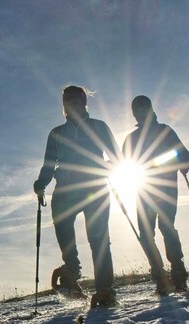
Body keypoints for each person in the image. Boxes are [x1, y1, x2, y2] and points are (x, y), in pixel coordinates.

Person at [33, 85, 118, 307]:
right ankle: (72, 273)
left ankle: (105, 290)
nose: (72, 105)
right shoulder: (57, 133)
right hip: (65, 189)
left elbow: (116, 158)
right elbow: (48, 166)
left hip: (94, 188)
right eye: (67, 102)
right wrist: (40, 184)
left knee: (98, 238)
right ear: (64, 106)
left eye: (76, 101)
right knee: (64, 232)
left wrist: (102, 168)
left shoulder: (99, 127)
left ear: (84, 103)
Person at [122, 95, 189, 295]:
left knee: (165, 226)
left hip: (165, 188)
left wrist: (182, 165)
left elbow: (183, 154)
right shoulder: (131, 138)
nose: (140, 113)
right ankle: (160, 276)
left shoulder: (165, 131)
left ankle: (178, 273)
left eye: (143, 108)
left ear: (150, 109)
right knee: (146, 232)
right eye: (137, 110)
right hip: (143, 190)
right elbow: (124, 163)